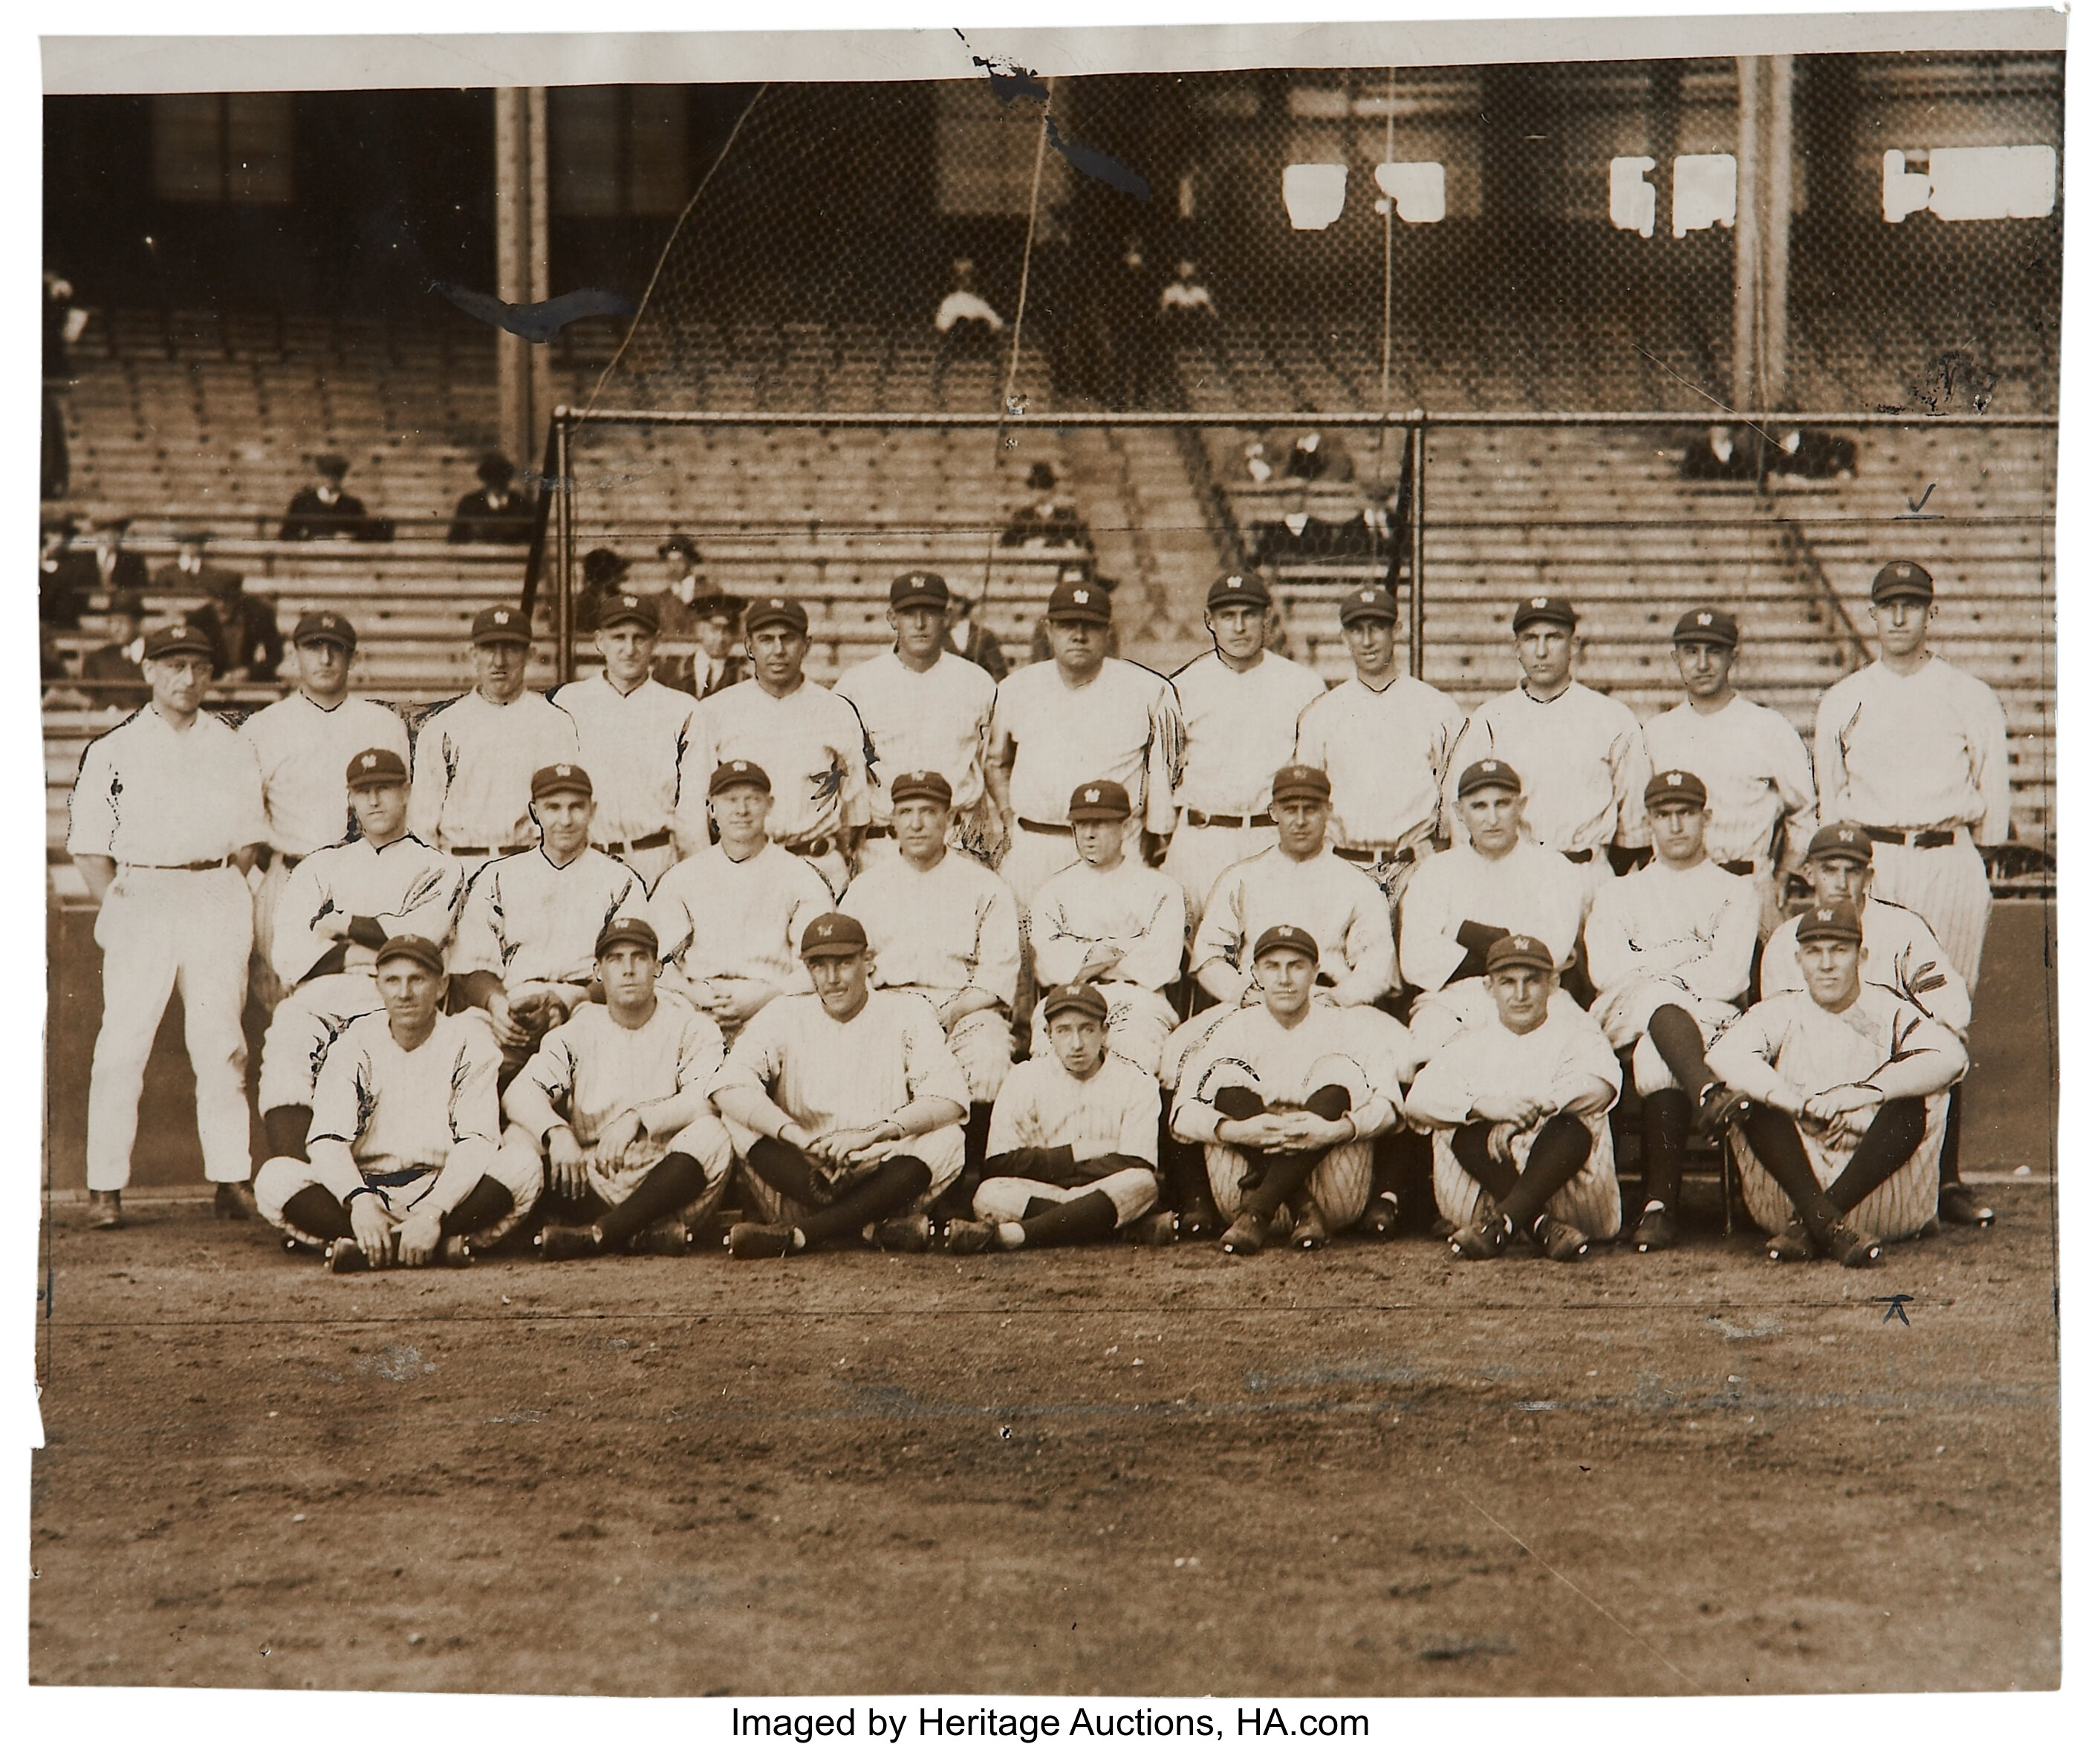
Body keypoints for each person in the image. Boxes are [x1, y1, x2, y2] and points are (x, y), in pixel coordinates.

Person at [65, 622, 269, 1229]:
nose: (187, 678)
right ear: (148, 670)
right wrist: (120, 909)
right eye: (174, 665)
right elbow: (87, 848)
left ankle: (231, 1178)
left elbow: (249, 841)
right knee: (122, 1047)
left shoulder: (231, 746)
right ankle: (105, 1187)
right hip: (144, 893)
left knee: (221, 1044)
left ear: (211, 675)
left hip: (211, 891)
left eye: (199, 667)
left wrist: (217, 887)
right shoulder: (113, 749)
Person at [253, 934, 539, 1272]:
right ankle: (423, 1244)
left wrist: (434, 1211)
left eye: (417, 980)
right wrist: (359, 1202)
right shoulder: (352, 1045)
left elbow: (478, 1142)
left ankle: (375, 1248)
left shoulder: (470, 1043)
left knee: (523, 1165)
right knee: (275, 1178)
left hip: (445, 1191)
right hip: (369, 1190)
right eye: (392, 980)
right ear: (379, 987)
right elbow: (327, 1140)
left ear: (442, 985)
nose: (404, 993)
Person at [1709, 900, 1968, 1266]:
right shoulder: (1782, 1009)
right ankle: (1830, 1226)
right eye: (1814, 952)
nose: (1827, 965)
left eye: (1839, 951)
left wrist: (1859, 1098)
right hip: (1796, 1183)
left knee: (1914, 1102)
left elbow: (1952, 1057)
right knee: (1752, 1099)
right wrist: (1796, 1105)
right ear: (1798, 959)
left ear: (1861, 956)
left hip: (1879, 1193)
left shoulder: (1889, 1009)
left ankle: (1813, 1224)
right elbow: (1722, 1056)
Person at [1761, 821, 1989, 1228]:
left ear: (1869, 876)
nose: (1841, 882)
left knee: (1942, 1052)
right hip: (1814, 1102)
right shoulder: (1784, 941)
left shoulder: (1904, 929)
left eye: (1852, 870)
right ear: (1808, 873)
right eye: (1829, 869)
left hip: (1884, 1097)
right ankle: (1824, 1216)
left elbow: (1948, 1011)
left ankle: (1945, 1184)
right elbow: (1779, 1039)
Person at [709, 913, 971, 1259]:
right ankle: (869, 1228)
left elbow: (949, 1098)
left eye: (844, 962)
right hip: (804, 1177)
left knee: (948, 1135)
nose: (832, 978)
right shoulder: (783, 1013)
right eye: (819, 965)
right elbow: (728, 1085)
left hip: (879, 1171)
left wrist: (872, 1135)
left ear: (869, 962)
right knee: (734, 1118)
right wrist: (798, 1137)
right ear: (808, 970)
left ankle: (802, 1236)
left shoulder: (907, 1010)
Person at [1813, 560, 2008, 1021]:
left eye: (1912, 606)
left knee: (1948, 1004)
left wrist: (1976, 855)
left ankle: (1944, 1094)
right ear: (1872, 613)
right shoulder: (1844, 698)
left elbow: (1993, 797)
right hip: (1874, 863)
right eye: (1889, 606)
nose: (1899, 618)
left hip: (1947, 859)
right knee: (1873, 1002)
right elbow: (1831, 800)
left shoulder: (1970, 694)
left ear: (1931, 615)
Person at [257, 748, 467, 1165]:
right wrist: (360, 951)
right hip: (325, 995)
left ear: (406, 793)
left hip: (393, 997)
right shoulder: (319, 866)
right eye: (363, 791)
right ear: (350, 798)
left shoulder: (439, 866)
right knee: (286, 1035)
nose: (374, 801)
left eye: (385, 788)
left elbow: (419, 940)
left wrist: (340, 921)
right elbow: (288, 954)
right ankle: (299, 1181)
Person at [1582, 770, 1763, 1252]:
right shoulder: (1619, 892)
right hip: (1627, 1012)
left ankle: (1658, 1205)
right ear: (1648, 823)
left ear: (1705, 818)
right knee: (1657, 1005)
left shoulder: (1735, 889)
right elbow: (1604, 972)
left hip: (1707, 1016)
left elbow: (1731, 979)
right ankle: (1707, 1093)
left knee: (1657, 1047)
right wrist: (1686, 955)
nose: (1676, 826)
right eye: (1663, 815)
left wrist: (1650, 967)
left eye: (1686, 814)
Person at [504, 917, 738, 1260]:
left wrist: (639, 1119)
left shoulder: (691, 1025)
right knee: (521, 1135)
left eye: (639, 957)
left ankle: (601, 1235)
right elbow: (520, 1092)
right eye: (615, 959)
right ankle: (639, 1235)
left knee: (712, 1133)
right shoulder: (580, 1028)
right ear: (598, 971)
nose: (628, 969)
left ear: (658, 967)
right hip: (596, 1177)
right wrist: (557, 1132)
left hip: (666, 1182)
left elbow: (706, 1098)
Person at [1171, 925, 1406, 1254]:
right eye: (1272, 966)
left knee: (1336, 1086)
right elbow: (1182, 1114)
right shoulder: (1229, 1029)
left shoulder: (1352, 1027)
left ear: (1315, 972)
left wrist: (1337, 1129)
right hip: (1239, 1187)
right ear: (1256, 974)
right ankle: (1302, 1208)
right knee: (1229, 1088)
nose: (1284, 979)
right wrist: (1236, 1129)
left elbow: (1391, 1107)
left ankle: (1259, 1210)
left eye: (1296, 966)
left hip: (1335, 1193)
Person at [840, 770, 1021, 1170]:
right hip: (888, 1005)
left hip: (962, 1008)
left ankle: (972, 1172)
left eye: (928, 812)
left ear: (950, 820)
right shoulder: (867, 888)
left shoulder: (984, 885)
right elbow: (850, 969)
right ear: (893, 820)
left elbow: (997, 975)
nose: (917, 823)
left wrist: (952, 1012)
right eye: (906, 812)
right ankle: (889, 1170)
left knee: (988, 1056)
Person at [1405, 934, 1624, 1262]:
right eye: (1507, 982)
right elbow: (1417, 1102)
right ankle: (1537, 1225)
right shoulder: (1468, 1043)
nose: (1520, 995)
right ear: (1489, 988)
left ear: (1551, 984)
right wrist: (1482, 1107)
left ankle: (1505, 1222)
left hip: (1570, 1196)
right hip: (1482, 1197)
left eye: (1531, 981)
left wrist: (1537, 1109)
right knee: (1459, 1122)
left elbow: (1603, 1086)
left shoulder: (1578, 1034)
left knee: (1574, 1125)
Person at [240, 611, 411, 1004]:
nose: (326, 658)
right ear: (295, 654)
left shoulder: (384, 724)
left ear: (352, 657)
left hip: (366, 880)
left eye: (337, 649)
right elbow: (248, 824)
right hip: (290, 876)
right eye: (314, 647)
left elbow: (403, 813)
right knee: (281, 1004)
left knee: (366, 1003)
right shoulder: (264, 727)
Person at [986, 575, 1183, 904]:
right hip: (1036, 843)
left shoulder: (1147, 690)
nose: (1078, 635)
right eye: (1067, 625)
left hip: (1114, 847)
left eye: (1090, 626)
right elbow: (996, 761)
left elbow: (1162, 775)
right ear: (1048, 629)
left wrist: (1155, 840)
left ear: (1108, 631)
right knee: (1030, 948)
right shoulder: (1016, 688)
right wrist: (1007, 816)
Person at [450, 763, 650, 1079]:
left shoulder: (620, 879)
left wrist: (570, 1000)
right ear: (535, 812)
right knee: (462, 1042)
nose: (565, 820)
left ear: (592, 810)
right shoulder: (498, 876)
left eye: (576, 807)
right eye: (553, 808)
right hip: (513, 1006)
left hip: (587, 1006)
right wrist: (496, 1006)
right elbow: (474, 968)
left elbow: (632, 967)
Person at [943, 982, 1172, 1255]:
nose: (1076, 1044)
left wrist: (1044, 1162)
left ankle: (1012, 1235)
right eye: (1064, 1031)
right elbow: (1000, 1164)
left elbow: (1137, 1162)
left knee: (1141, 1183)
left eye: (1087, 1029)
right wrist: (1076, 1153)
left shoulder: (1136, 1080)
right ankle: (1112, 1226)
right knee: (989, 1194)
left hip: (1105, 1189)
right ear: (1048, 1035)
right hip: (1066, 1194)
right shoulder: (1024, 1077)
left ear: (1105, 1032)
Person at [1443, 596, 1651, 888]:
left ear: (1574, 645)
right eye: (1530, 639)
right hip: (1514, 878)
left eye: (1553, 637)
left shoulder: (1613, 718)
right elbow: (1463, 819)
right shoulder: (1489, 720)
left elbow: (1635, 827)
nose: (1541, 651)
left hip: (1587, 875)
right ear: (1517, 648)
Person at [686, 594, 873, 897]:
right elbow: (695, 807)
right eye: (766, 639)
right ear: (749, 646)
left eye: (788, 639)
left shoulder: (837, 710)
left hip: (817, 863)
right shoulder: (716, 710)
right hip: (744, 867)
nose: (778, 650)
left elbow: (856, 813)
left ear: (807, 645)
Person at [1642, 608, 1816, 931]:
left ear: (1732, 657)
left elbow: (1805, 811)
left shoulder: (1768, 728)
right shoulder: (1656, 733)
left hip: (1748, 883)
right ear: (1675, 657)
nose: (1703, 664)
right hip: (1677, 889)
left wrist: (1785, 875)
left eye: (1714, 652)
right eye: (1691, 653)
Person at [1163, 573, 1329, 913]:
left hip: (1270, 838)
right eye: (1228, 616)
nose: (1239, 627)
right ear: (1209, 620)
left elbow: (1319, 774)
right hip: (1201, 838)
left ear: (1267, 617)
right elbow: (1163, 778)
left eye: (1249, 615)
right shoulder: (1180, 688)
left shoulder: (1304, 685)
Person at [1291, 584, 1465, 903]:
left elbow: (1453, 799)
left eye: (1378, 628)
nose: (1368, 640)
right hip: (1344, 865)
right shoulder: (1322, 714)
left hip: (1414, 867)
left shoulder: (1437, 708)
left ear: (1396, 629)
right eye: (1357, 630)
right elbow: (1307, 799)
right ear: (1344, 637)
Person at [1400, 758, 1588, 1051]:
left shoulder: (1552, 867)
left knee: (1584, 1055)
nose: (1492, 819)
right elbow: (1415, 961)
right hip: (1453, 1000)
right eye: (1479, 807)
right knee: (1431, 1047)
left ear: (1521, 806)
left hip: (1539, 998)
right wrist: (1507, 941)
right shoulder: (1435, 871)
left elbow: (1551, 952)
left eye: (1502, 804)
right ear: (1460, 812)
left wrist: (1459, 930)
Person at [646, 760, 834, 1041]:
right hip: (696, 1005)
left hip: (773, 1005)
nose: (742, 810)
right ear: (712, 807)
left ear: (769, 805)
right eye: (731, 800)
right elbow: (658, 962)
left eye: (752, 800)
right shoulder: (682, 877)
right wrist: (696, 997)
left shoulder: (801, 876)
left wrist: (766, 998)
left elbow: (815, 964)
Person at [830, 573, 997, 866]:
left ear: (946, 617)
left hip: (957, 843)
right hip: (883, 847)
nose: (920, 624)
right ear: (893, 618)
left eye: (930, 613)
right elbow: (841, 769)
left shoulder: (977, 683)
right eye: (909, 614)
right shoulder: (857, 684)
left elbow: (985, 763)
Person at [1024, 780, 1187, 1077]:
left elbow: (1161, 964)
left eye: (1101, 823)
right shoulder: (1052, 891)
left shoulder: (1161, 888)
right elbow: (1049, 967)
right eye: (1081, 824)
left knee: (1134, 1055)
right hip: (1069, 997)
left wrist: (1084, 955)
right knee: (1050, 1068)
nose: (1089, 834)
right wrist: (1124, 949)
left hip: (1137, 999)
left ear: (1124, 828)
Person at [406, 605, 580, 873]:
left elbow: (566, 811)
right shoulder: (445, 726)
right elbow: (422, 825)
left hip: (529, 866)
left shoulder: (554, 723)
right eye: (489, 649)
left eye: (511, 648)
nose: (499, 661)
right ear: (473, 654)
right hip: (462, 866)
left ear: (529, 654)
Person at [550, 591, 703, 890]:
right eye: (619, 637)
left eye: (640, 638)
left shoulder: (681, 708)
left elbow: (692, 811)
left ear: (655, 642)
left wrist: (693, 878)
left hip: (655, 860)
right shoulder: (568, 702)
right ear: (599, 641)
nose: (629, 649)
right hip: (585, 860)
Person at [183, 567, 285, 683]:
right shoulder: (198, 620)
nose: (221, 605)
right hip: (210, 682)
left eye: (227, 599)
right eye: (216, 599)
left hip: (250, 682)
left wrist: (248, 672)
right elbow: (191, 658)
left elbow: (276, 655)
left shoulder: (259, 614)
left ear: (238, 598)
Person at [281, 453, 383, 541]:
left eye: (336, 476)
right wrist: (309, 539)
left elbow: (364, 534)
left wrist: (349, 537)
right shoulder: (302, 502)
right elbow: (286, 535)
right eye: (326, 475)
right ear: (319, 476)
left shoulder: (352, 504)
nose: (330, 480)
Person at [77, 590, 149, 708]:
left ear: (137, 623)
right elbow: (88, 699)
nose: (115, 629)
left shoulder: (153, 655)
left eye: (121, 622)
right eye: (111, 622)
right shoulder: (96, 659)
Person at [446, 453, 535, 544]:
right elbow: (455, 539)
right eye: (491, 477)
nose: (497, 482)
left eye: (502, 477)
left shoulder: (522, 504)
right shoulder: (469, 503)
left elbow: (533, 542)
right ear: (484, 479)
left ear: (508, 478)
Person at [1000, 463, 1088, 549]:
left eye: (1045, 488)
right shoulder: (1021, 516)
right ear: (1030, 491)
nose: (1040, 494)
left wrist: (1067, 544)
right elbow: (1006, 543)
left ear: (1053, 491)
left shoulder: (1067, 516)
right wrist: (1026, 545)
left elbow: (1083, 544)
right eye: (1035, 489)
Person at [945, 590, 1010, 683]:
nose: (949, 605)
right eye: (948, 601)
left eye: (956, 601)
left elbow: (999, 672)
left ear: (965, 605)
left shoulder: (985, 635)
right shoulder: (939, 635)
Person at [575, 547, 632, 636]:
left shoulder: (618, 598)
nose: (624, 576)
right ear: (607, 576)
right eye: (618, 572)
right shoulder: (584, 603)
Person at [1158, 259, 1218, 329]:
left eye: (1188, 269)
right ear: (1178, 270)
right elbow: (1162, 315)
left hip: (1197, 326)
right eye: (1184, 269)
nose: (1186, 272)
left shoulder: (1200, 292)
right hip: (1175, 326)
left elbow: (1213, 315)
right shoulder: (1171, 291)